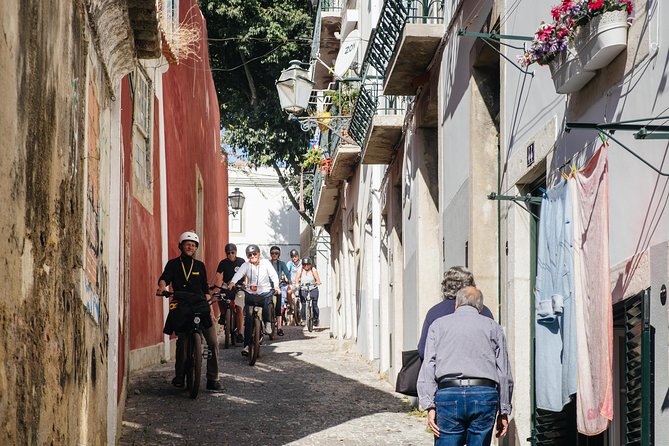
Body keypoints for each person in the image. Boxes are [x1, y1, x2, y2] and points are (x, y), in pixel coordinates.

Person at [417, 286, 513, 445]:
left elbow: (428, 366)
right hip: (484, 395)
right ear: (480, 307)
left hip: (448, 393)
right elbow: (503, 371)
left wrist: (429, 405)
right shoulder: (492, 327)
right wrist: (504, 410)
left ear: (456, 304)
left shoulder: (438, 325)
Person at [156, 231, 221, 391]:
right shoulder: (173, 264)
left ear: (196, 248)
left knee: (213, 342)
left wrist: (211, 310)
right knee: (182, 340)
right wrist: (162, 287)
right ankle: (179, 376)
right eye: (187, 244)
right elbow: (165, 277)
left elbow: (205, 289)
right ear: (181, 246)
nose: (190, 247)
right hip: (181, 304)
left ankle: (213, 378)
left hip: (200, 304)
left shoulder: (200, 266)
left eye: (193, 245)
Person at [417, 266, 494, 360]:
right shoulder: (484, 312)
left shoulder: (435, 313)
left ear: (446, 286)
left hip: (445, 371)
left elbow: (423, 350)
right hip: (481, 370)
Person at [228, 244, 280, 356]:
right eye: (250, 255)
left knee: (267, 305)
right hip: (250, 293)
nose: (252, 256)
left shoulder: (266, 263)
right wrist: (232, 282)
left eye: (254, 254)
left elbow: (274, 275)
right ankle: (246, 346)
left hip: (264, 292)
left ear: (259, 254)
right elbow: (239, 274)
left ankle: (268, 323)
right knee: (248, 320)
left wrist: (276, 286)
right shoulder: (246, 265)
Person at [214, 243, 245, 343]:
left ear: (235, 252)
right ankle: (223, 314)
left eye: (232, 252)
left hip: (239, 287)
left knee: (239, 308)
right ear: (226, 254)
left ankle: (240, 333)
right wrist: (214, 284)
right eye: (228, 253)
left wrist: (246, 283)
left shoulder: (241, 261)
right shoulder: (223, 263)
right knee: (219, 297)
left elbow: (246, 274)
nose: (231, 255)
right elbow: (218, 274)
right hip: (226, 285)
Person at [269, 246, 291, 336]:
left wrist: (289, 281)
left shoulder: (281, 264)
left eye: (276, 253)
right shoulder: (267, 263)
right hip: (267, 287)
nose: (274, 255)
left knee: (278, 307)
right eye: (272, 253)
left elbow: (287, 273)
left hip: (277, 287)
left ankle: (279, 328)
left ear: (279, 254)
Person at [294, 257, 321, 327]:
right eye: (304, 264)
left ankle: (315, 319)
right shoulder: (300, 269)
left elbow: (317, 278)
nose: (306, 266)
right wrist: (297, 284)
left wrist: (318, 282)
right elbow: (297, 278)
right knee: (303, 304)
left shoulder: (313, 269)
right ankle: (304, 319)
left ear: (310, 264)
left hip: (313, 287)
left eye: (308, 264)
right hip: (303, 288)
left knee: (314, 303)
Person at [286, 249, 302, 325]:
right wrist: (286, 278)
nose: (294, 258)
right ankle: (291, 306)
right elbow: (286, 272)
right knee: (288, 291)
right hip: (292, 283)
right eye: (292, 257)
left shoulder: (302, 263)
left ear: (298, 256)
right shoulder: (289, 264)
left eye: (295, 256)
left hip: (301, 282)